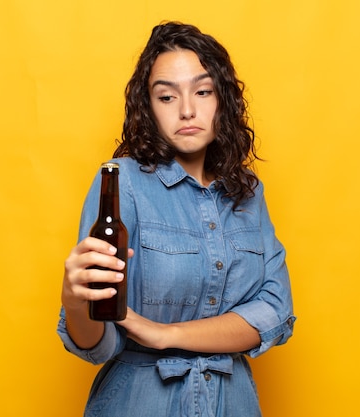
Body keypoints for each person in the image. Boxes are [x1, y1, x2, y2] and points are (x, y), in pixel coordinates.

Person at [57, 21, 295, 417]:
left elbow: (274, 310)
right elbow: (97, 345)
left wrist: (166, 334)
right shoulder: (122, 182)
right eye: (167, 97)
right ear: (149, 108)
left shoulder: (249, 192)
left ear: (223, 100)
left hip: (233, 403)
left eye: (202, 92)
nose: (187, 110)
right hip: (140, 402)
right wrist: (75, 300)